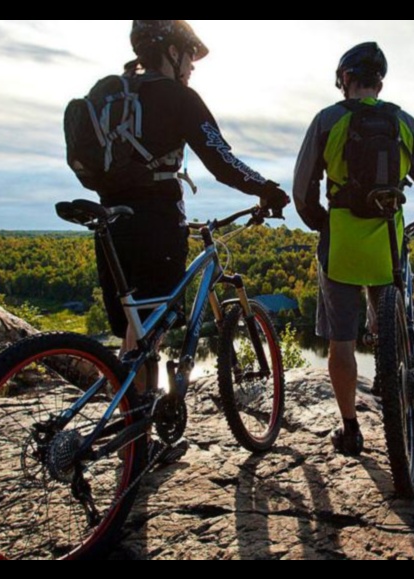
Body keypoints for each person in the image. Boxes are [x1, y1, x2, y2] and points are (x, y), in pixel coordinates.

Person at [94, 20, 290, 461]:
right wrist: (266, 189)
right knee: (150, 335)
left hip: (110, 220)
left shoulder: (112, 93)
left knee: (134, 334)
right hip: (155, 222)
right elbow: (221, 159)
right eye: (189, 55)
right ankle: (136, 452)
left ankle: (133, 441)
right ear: (171, 51)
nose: (192, 67)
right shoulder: (177, 97)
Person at [293, 42, 414, 456]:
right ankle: (398, 398)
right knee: (393, 325)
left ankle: (350, 430)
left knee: (341, 342)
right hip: (388, 242)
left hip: (341, 245)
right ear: (379, 83)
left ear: (344, 79)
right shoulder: (402, 122)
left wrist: (323, 222)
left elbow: (302, 190)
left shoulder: (327, 120)